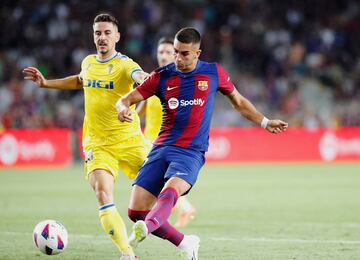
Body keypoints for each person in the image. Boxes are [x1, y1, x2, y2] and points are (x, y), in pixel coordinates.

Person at [116, 27, 288, 259]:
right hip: (161, 148)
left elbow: (238, 102)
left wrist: (265, 122)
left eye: (184, 53)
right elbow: (126, 99)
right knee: (136, 211)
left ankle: (147, 227)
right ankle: (186, 242)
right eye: (176, 52)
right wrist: (122, 109)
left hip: (190, 152)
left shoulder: (213, 72)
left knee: (171, 191)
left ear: (198, 53)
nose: (178, 58)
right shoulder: (162, 75)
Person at [23, 13, 150, 260]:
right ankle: (127, 254)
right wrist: (46, 83)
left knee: (154, 193)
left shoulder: (126, 65)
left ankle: (170, 231)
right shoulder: (88, 62)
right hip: (97, 144)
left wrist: (145, 80)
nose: (102, 37)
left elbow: (140, 78)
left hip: (130, 142)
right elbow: (81, 81)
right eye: (97, 33)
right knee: (103, 193)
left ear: (117, 36)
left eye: (106, 33)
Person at [139, 37, 197, 229]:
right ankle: (179, 208)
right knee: (156, 184)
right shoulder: (153, 80)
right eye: (160, 52)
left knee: (157, 184)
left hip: (168, 144)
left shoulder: (181, 82)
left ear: (175, 55)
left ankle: (181, 207)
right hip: (149, 142)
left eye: (167, 52)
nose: (163, 56)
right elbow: (139, 111)